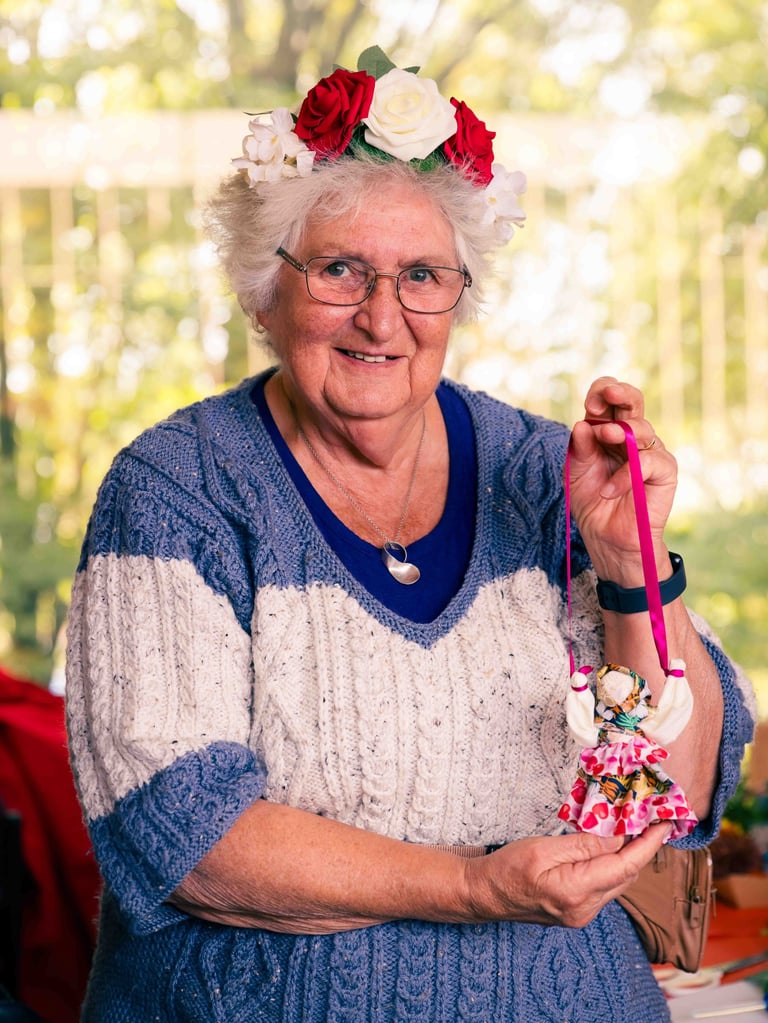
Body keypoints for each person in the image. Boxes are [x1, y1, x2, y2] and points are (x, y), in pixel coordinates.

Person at [65, 46, 755, 1022]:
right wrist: (476, 886)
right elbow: (183, 836)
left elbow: (666, 803)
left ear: (458, 298)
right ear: (267, 291)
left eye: (423, 275)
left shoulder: (546, 468)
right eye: (341, 269)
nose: (382, 317)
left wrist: (629, 563)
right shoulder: (180, 489)